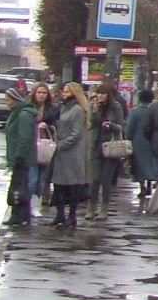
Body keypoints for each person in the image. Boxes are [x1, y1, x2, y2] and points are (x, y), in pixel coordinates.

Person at [50, 82, 92, 228]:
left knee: (72, 185)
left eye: (67, 92)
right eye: (64, 91)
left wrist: (61, 145)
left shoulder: (77, 110)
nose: (64, 94)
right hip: (61, 152)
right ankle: (60, 214)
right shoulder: (63, 107)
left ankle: (72, 215)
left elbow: (76, 134)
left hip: (72, 152)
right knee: (58, 185)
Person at [2, 83, 38, 226]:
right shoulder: (16, 113)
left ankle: (18, 215)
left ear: (15, 100)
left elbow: (25, 138)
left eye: (8, 99)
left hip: (22, 158)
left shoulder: (23, 115)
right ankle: (22, 214)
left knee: (18, 187)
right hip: (19, 157)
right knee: (20, 186)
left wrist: (18, 156)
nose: (6, 102)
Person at [90, 83, 127, 218]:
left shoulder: (116, 107)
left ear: (108, 95)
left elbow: (121, 126)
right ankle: (91, 208)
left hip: (111, 146)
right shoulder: (95, 107)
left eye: (103, 93)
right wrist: (94, 111)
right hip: (97, 144)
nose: (100, 96)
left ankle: (104, 209)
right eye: (98, 93)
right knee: (95, 179)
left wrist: (111, 125)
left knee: (106, 179)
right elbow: (90, 124)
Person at [125, 86, 158, 204]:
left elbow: (130, 128)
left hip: (138, 141)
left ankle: (142, 187)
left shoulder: (135, 112)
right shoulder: (155, 111)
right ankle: (150, 184)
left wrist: (128, 140)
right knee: (151, 163)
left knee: (139, 164)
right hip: (153, 140)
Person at [30, 82, 57, 207]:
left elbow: (55, 126)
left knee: (42, 179)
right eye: (39, 92)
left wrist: (48, 126)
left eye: (44, 93)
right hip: (32, 145)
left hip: (46, 146)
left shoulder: (51, 109)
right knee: (32, 179)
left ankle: (36, 204)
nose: (41, 95)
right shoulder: (29, 107)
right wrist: (36, 125)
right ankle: (29, 204)